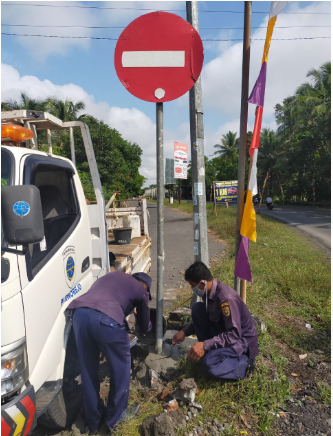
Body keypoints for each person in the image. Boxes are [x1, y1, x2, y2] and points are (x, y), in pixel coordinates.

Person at [68, 271, 152, 433]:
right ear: (145, 286)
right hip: (107, 320)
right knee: (121, 369)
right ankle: (117, 419)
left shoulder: (113, 276)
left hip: (80, 315)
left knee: (87, 370)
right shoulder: (141, 291)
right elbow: (144, 325)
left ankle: (93, 423)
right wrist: (149, 326)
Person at [172, 262, 258, 380]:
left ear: (202, 283)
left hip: (241, 343)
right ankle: (210, 353)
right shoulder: (208, 293)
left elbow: (234, 334)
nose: (193, 289)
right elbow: (208, 316)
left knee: (208, 365)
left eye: (193, 286)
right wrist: (184, 332)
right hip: (224, 331)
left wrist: (205, 345)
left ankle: (244, 366)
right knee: (197, 309)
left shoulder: (226, 299)